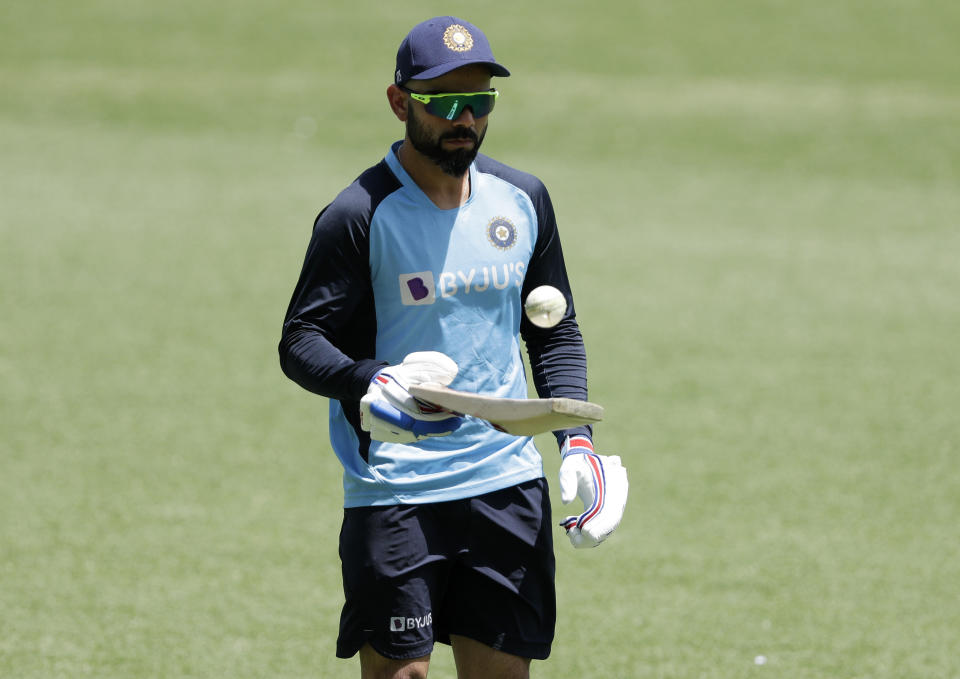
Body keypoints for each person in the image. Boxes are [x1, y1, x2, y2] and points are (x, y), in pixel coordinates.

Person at [278, 16, 628, 679]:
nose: (464, 118)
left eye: (480, 102)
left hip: (505, 483)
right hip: (395, 486)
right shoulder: (359, 214)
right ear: (399, 101)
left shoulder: (523, 201)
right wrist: (367, 379)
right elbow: (300, 340)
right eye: (444, 104)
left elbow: (553, 329)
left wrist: (575, 440)